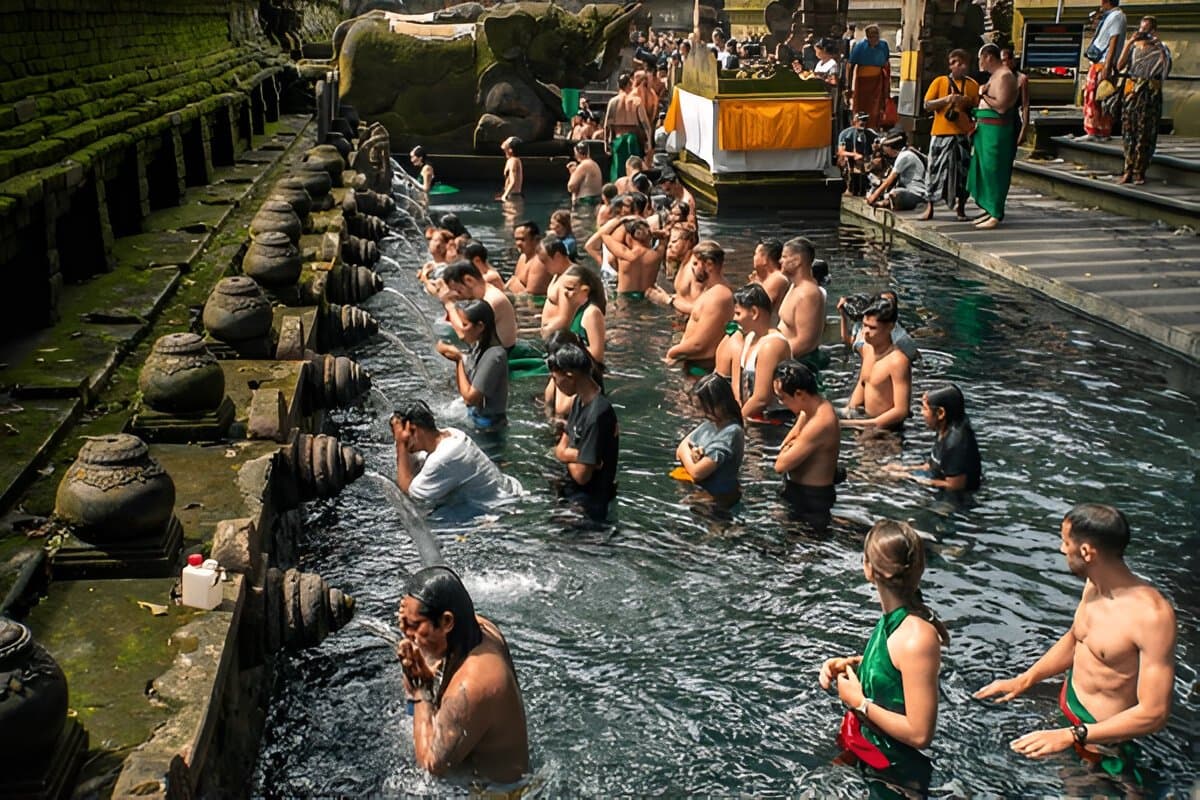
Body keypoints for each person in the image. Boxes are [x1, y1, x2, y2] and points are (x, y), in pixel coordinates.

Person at [975, 504, 1176, 787]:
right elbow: (1075, 640)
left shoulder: (1152, 616)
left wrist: (1073, 735)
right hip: (1070, 718)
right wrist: (1024, 680)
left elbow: (1154, 714)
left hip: (1103, 745)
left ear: (1086, 552)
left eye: (1065, 542)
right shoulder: (1094, 585)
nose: (1060, 549)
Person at [819, 520, 949, 798]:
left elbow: (920, 734)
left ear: (868, 568)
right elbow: (894, 668)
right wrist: (851, 665)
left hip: (896, 774)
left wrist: (859, 702)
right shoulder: (894, 623)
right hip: (867, 751)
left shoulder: (917, 638)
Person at [396, 566, 529, 788]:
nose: (405, 633)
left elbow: (431, 764)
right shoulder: (481, 629)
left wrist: (420, 691)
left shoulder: (472, 685)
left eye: (414, 625)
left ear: (447, 622)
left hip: (498, 794)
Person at [390, 400, 522, 509]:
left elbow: (407, 493)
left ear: (414, 429)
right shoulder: (451, 434)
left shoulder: (442, 458)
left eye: (402, 437)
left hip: (500, 508)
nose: (401, 442)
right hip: (509, 491)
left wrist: (401, 444)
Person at [549, 343, 618, 521]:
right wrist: (584, 456)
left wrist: (568, 455)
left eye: (555, 378)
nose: (555, 384)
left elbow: (582, 475)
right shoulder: (579, 402)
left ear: (569, 376)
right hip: (574, 496)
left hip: (588, 506)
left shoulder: (598, 414)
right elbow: (560, 449)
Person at [772, 360, 840, 526]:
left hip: (812, 498)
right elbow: (785, 445)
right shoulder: (807, 412)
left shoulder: (820, 422)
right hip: (800, 491)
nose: (782, 404)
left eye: (783, 398)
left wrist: (791, 445)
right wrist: (791, 444)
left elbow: (780, 465)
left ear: (800, 394)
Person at [890, 384, 982, 496]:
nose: (921, 413)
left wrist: (911, 478)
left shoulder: (956, 442)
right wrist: (904, 469)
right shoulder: (943, 428)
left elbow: (955, 486)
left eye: (925, 408)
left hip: (958, 499)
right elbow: (932, 465)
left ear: (940, 413)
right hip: (940, 480)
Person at [921, 49, 979, 221]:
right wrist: (946, 100)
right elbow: (927, 104)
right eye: (955, 63)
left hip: (962, 134)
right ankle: (930, 207)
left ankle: (961, 208)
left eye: (962, 63)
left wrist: (965, 102)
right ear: (950, 65)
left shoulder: (972, 85)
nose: (958, 66)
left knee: (962, 173)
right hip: (941, 133)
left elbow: (976, 107)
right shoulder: (940, 82)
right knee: (934, 171)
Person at [967, 43, 1019, 230]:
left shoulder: (1005, 76)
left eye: (981, 58)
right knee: (983, 169)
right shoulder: (994, 76)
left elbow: (1001, 107)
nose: (979, 63)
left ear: (989, 57)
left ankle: (996, 212)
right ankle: (989, 209)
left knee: (994, 170)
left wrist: (983, 96)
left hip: (997, 131)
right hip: (985, 129)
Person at [435, 300, 509, 429]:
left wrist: (458, 361)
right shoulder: (480, 345)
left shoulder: (494, 356)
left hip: (489, 427)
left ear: (480, 327)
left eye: (465, 325)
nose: (462, 331)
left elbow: (470, 398)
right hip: (477, 418)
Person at [664, 241, 735, 373]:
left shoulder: (718, 296)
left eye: (696, 264)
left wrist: (672, 353)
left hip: (700, 370)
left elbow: (699, 344)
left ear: (708, 265)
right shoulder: (711, 292)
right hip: (693, 365)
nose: (692, 269)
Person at [841, 299, 911, 431]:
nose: (865, 332)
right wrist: (849, 412)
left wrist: (860, 424)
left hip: (887, 431)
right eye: (864, 325)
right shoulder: (867, 349)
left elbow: (901, 411)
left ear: (890, 327)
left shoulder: (898, 361)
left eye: (872, 328)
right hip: (865, 422)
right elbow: (863, 383)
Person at [1116, 17, 1171, 185]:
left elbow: (1166, 69)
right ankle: (1128, 169)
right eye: (1141, 29)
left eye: (1146, 30)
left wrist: (1159, 45)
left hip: (1149, 94)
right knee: (1128, 132)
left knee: (1145, 133)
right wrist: (1129, 42)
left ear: (1153, 31)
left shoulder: (1161, 48)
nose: (1143, 33)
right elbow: (1119, 66)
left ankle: (1140, 170)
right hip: (1132, 92)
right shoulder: (1133, 47)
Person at [675, 373, 744, 505]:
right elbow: (680, 449)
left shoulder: (731, 432)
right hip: (702, 490)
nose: (701, 414)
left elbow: (697, 473)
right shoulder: (710, 424)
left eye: (704, 408)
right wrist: (691, 458)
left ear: (722, 404)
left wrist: (689, 457)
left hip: (718, 496)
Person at [728, 284, 792, 423]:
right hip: (750, 415)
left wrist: (734, 421)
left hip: (774, 422)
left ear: (754, 312)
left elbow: (762, 398)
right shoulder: (750, 337)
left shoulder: (772, 345)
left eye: (738, 313)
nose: (734, 318)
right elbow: (737, 380)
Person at [440, 260, 518, 350]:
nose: (458, 296)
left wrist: (449, 305)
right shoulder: (481, 296)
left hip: (502, 355)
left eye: (459, 291)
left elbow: (466, 336)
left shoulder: (492, 299)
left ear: (469, 280)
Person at [1081, 0, 1127, 141]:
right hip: (1099, 62)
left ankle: (1098, 131)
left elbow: (1114, 41)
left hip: (1104, 63)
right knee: (1093, 96)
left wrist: (1107, 66)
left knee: (1099, 97)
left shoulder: (1117, 16)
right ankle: (1094, 130)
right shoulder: (1110, 16)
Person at [777, 237, 826, 365]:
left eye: (784, 256)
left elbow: (805, 342)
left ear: (797, 260)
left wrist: (773, 356)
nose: (780, 260)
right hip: (787, 359)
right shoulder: (794, 286)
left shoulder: (808, 294)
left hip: (800, 365)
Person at [591, 215, 663, 299]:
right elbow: (666, 235)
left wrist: (621, 220)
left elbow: (603, 234)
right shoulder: (657, 255)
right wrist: (654, 233)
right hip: (649, 297)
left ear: (629, 237)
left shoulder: (625, 254)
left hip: (625, 298)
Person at [839, 290, 920, 363]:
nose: (866, 331)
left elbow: (915, 357)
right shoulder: (863, 323)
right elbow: (849, 341)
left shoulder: (899, 337)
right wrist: (843, 315)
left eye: (889, 303)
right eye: (882, 302)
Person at [604, 73, 652, 182]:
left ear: (618, 85)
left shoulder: (613, 102)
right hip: (633, 139)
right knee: (635, 170)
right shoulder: (636, 101)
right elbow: (645, 125)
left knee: (618, 173)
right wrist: (648, 143)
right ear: (630, 85)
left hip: (618, 139)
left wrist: (606, 144)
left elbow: (607, 126)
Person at [866, 132, 927, 211]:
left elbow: (890, 179)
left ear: (890, 147)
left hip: (917, 193)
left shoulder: (904, 156)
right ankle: (884, 202)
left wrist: (875, 195)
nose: (885, 152)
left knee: (895, 194)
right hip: (909, 190)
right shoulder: (904, 154)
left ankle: (882, 203)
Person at [847, 24, 890, 130]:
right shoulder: (859, 46)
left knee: (876, 107)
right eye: (871, 36)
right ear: (867, 36)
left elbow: (886, 63)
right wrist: (848, 85)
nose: (874, 39)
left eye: (876, 36)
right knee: (861, 106)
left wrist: (887, 84)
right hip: (862, 81)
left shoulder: (883, 45)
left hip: (878, 81)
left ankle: (874, 128)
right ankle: (859, 127)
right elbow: (850, 65)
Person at [505, 221, 552, 298]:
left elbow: (532, 296)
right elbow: (514, 280)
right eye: (516, 239)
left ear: (536, 239)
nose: (518, 243)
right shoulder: (523, 256)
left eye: (522, 239)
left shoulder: (539, 262)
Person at [837, 112, 879, 197]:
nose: (863, 123)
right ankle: (850, 187)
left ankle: (868, 187)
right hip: (850, 159)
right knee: (843, 160)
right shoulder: (845, 134)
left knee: (877, 161)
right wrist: (854, 155)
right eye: (861, 120)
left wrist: (876, 148)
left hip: (865, 160)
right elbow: (840, 151)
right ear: (855, 121)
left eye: (865, 120)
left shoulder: (870, 133)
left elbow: (878, 142)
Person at [748, 238, 790, 313]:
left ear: (765, 259)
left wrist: (756, 286)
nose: (754, 257)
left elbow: (761, 309)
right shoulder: (766, 278)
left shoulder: (777, 278)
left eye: (756, 254)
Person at [1000, 48, 1030, 146]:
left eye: (1004, 60)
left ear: (1011, 60)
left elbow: (1025, 105)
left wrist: (1024, 128)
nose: (1002, 64)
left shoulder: (1021, 79)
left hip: (1013, 119)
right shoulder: (997, 78)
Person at [567, 141, 604, 206]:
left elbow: (571, 187)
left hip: (585, 202)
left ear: (577, 153)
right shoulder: (594, 164)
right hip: (596, 200)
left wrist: (572, 173)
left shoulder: (583, 165)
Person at [497, 136, 523, 201]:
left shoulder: (513, 161)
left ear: (510, 149)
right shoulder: (511, 160)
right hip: (512, 195)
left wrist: (504, 196)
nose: (504, 142)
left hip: (513, 196)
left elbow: (513, 181)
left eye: (507, 142)